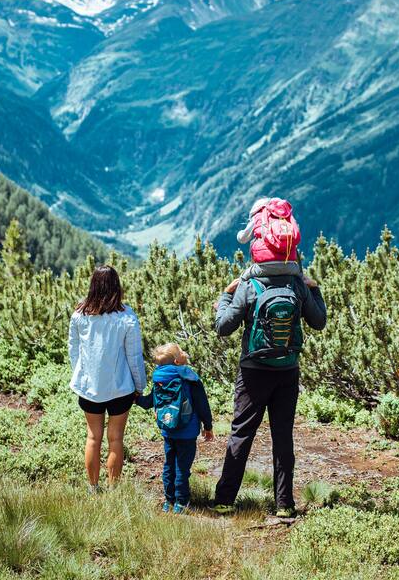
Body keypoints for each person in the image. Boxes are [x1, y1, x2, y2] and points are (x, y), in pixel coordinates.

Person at [212, 250, 327, 517]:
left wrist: (226, 295)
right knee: (283, 437)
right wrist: (315, 289)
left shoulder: (248, 285)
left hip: (253, 372)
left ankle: (225, 500)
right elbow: (319, 321)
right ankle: (284, 504)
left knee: (242, 433)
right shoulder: (296, 284)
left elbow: (223, 327)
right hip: (287, 370)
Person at [68, 265, 145, 493]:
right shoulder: (127, 317)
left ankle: (93, 487)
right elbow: (134, 356)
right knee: (116, 439)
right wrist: (139, 386)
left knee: (93, 437)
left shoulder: (79, 316)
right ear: (116, 286)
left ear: (93, 285)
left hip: (89, 387)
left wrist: (80, 375)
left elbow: (74, 350)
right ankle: (113, 489)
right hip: (120, 388)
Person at [134, 342, 214, 514]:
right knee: (182, 468)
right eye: (181, 352)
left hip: (168, 431)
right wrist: (208, 426)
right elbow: (202, 404)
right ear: (177, 361)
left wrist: (136, 397)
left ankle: (168, 501)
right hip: (187, 432)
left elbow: (149, 402)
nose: (184, 353)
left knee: (169, 465)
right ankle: (181, 503)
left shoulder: (159, 378)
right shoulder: (189, 377)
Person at [234, 197, 305, 282]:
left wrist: (239, 234)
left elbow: (242, 239)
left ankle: (229, 294)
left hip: (264, 267)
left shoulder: (257, 216)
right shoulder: (285, 217)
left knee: (242, 282)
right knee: (304, 283)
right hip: (290, 266)